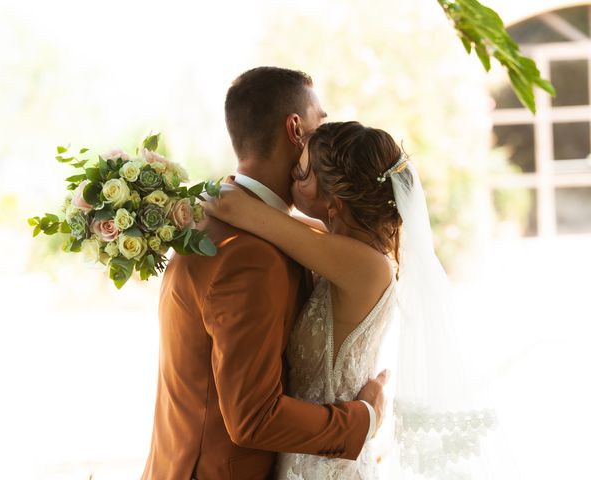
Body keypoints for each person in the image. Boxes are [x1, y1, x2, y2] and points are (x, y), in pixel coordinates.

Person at [203, 121, 502, 479]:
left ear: (334, 203)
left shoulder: (363, 264)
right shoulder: (345, 248)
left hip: (324, 463)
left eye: (301, 174)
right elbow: (281, 222)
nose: (292, 180)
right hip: (312, 449)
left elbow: (233, 207)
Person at [140, 68, 389, 480]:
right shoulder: (247, 254)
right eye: (319, 122)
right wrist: (363, 420)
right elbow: (254, 416)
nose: (323, 133)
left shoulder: (219, 220)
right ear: (296, 129)